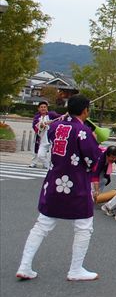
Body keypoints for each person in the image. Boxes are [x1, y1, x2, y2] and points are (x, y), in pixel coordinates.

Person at [16, 94, 102, 281]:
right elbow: (92, 160)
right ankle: (75, 269)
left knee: (42, 225)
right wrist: (96, 141)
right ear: (85, 110)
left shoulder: (55, 126)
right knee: (83, 226)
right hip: (77, 184)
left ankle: (25, 266)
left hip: (54, 182)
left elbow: (42, 151)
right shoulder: (83, 131)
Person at [30, 101, 61, 169]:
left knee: (50, 153)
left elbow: (60, 118)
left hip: (52, 137)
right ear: (38, 109)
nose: (43, 108)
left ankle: (49, 165)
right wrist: (43, 124)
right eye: (41, 107)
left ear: (47, 108)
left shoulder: (52, 114)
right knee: (38, 153)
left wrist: (53, 123)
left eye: (44, 107)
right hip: (41, 138)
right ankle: (40, 164)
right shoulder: (37, 117)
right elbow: (36, 127)